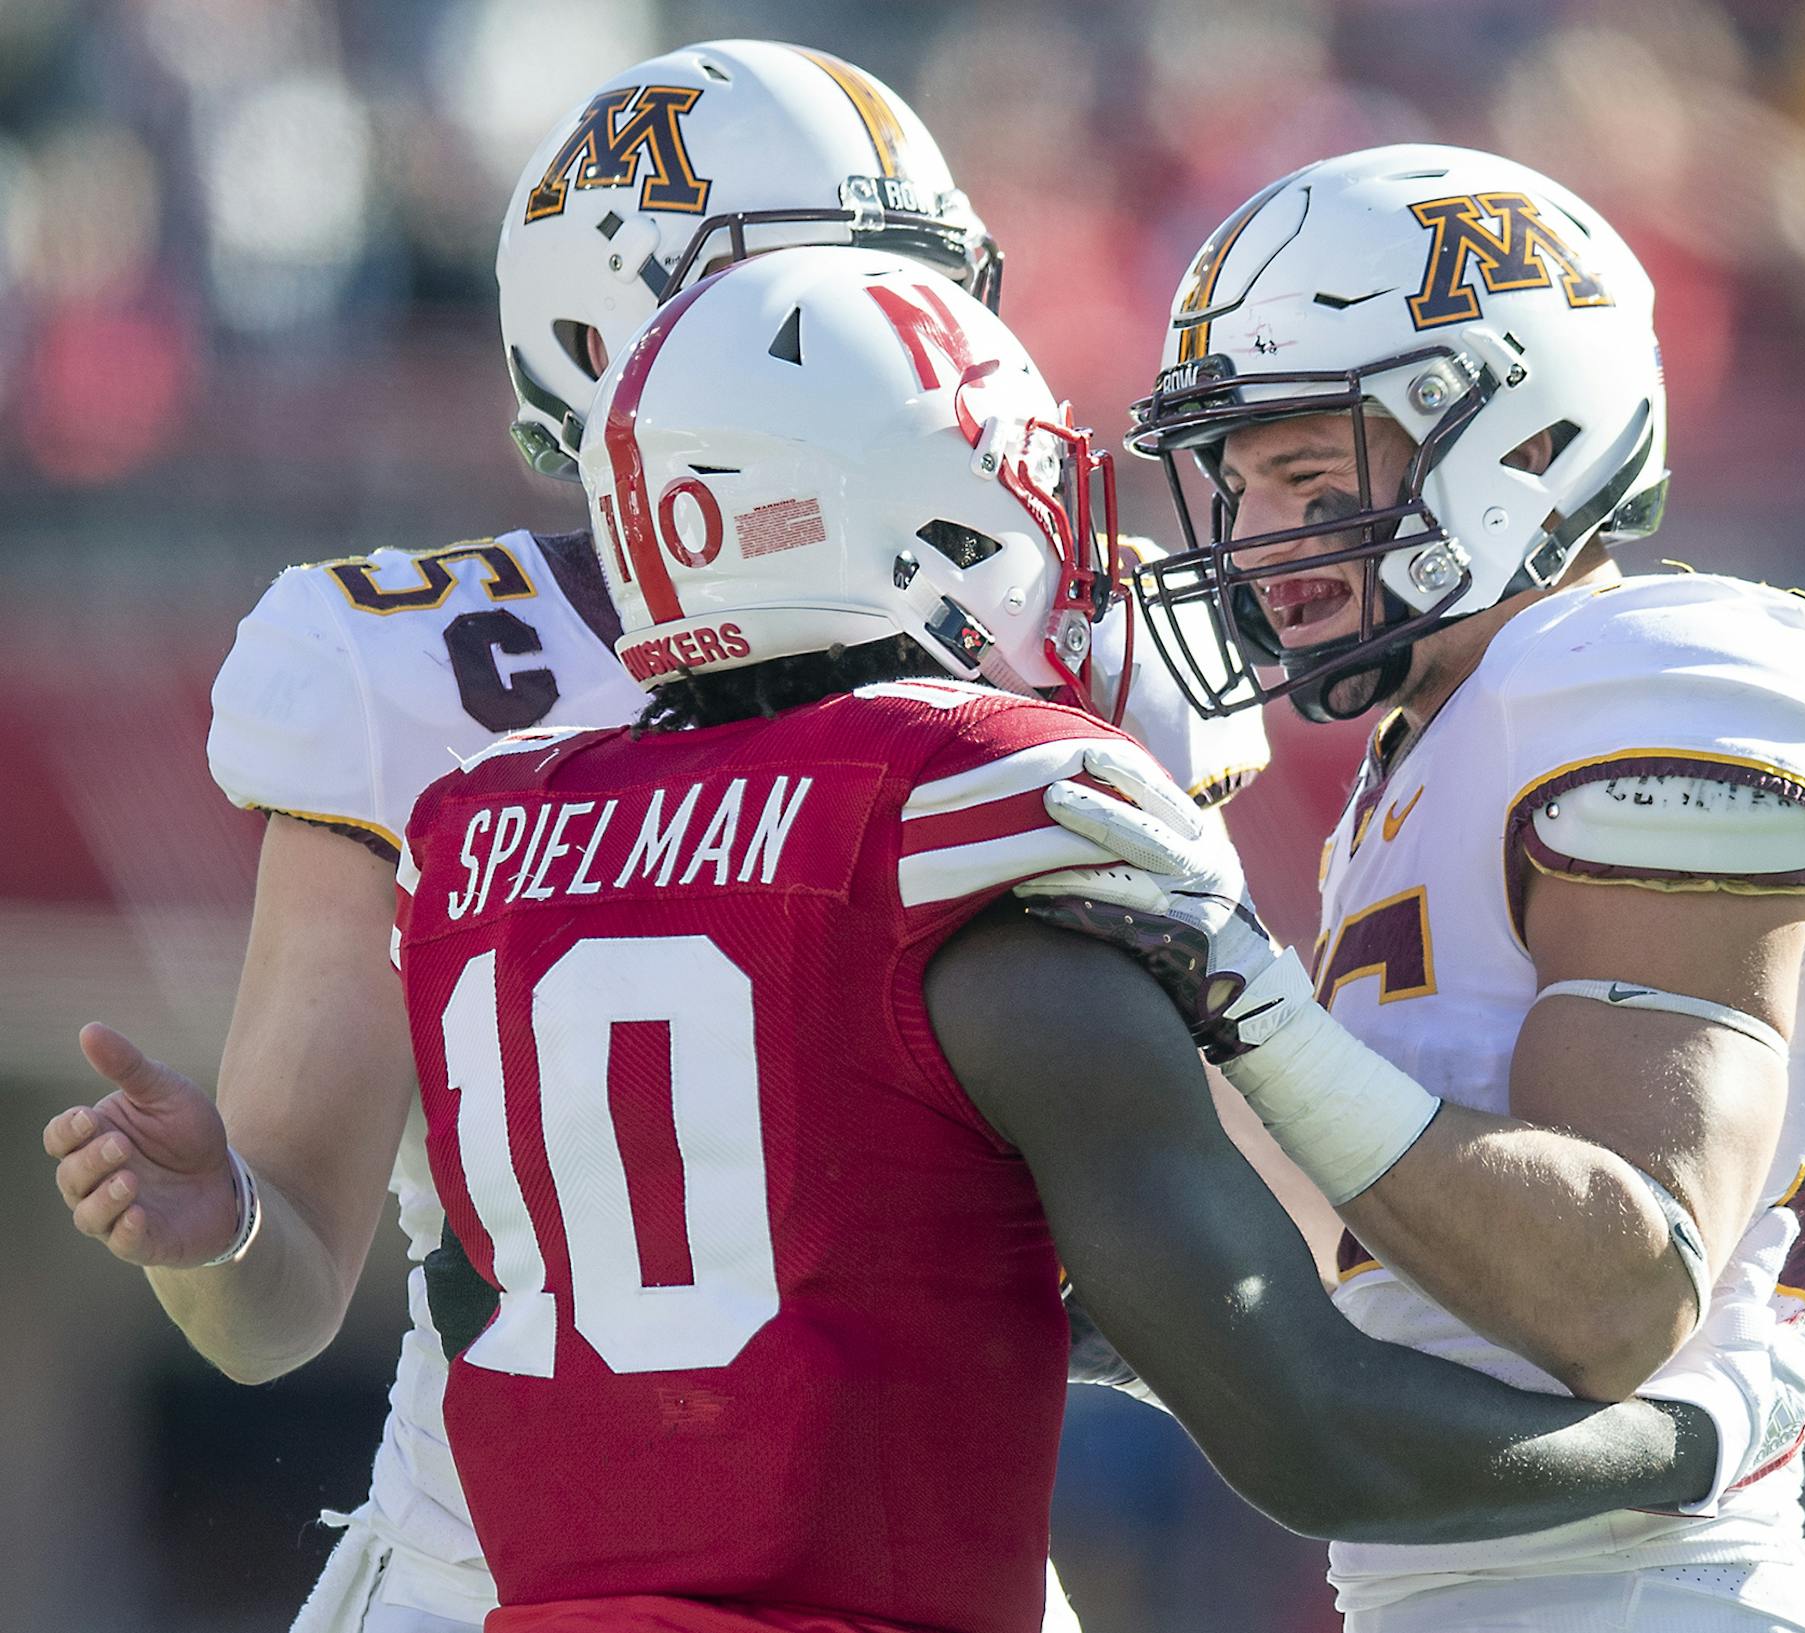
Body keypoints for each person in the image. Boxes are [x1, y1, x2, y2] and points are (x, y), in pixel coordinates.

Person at [37, 80, 1805, 1633]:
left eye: (1320, 458)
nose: (939, 364)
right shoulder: (1016, 776)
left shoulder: (504, 802)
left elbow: (1149, 1230)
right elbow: (1242, 1303)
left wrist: (1792, 1214)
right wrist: (1764, 1341)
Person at [390, 240, 1805, 1633]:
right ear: (938, 522)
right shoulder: (982, 843)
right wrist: (1698, 1438)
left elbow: (480, 1285)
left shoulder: (492, 835)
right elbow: (1316, 1435)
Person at [31, 41, 1255, 1633]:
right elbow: (279, 1297)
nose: (914, 351)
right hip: (509, 1565)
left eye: (923, 292)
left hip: (922, 1541)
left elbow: (1197, 1212)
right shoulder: (427, 665)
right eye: (823, 304)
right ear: (622, 346)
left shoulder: (1049, 626)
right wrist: (220, 1228)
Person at [1016, 144, 1805, 1630]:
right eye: (1238, 477)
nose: (1265, 533)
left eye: (1307, 466)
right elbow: (1408, 1284)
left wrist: (1236, 985)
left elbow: (1614, 1289)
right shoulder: (1441, 745)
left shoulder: (1656, 672)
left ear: (1521, 438)